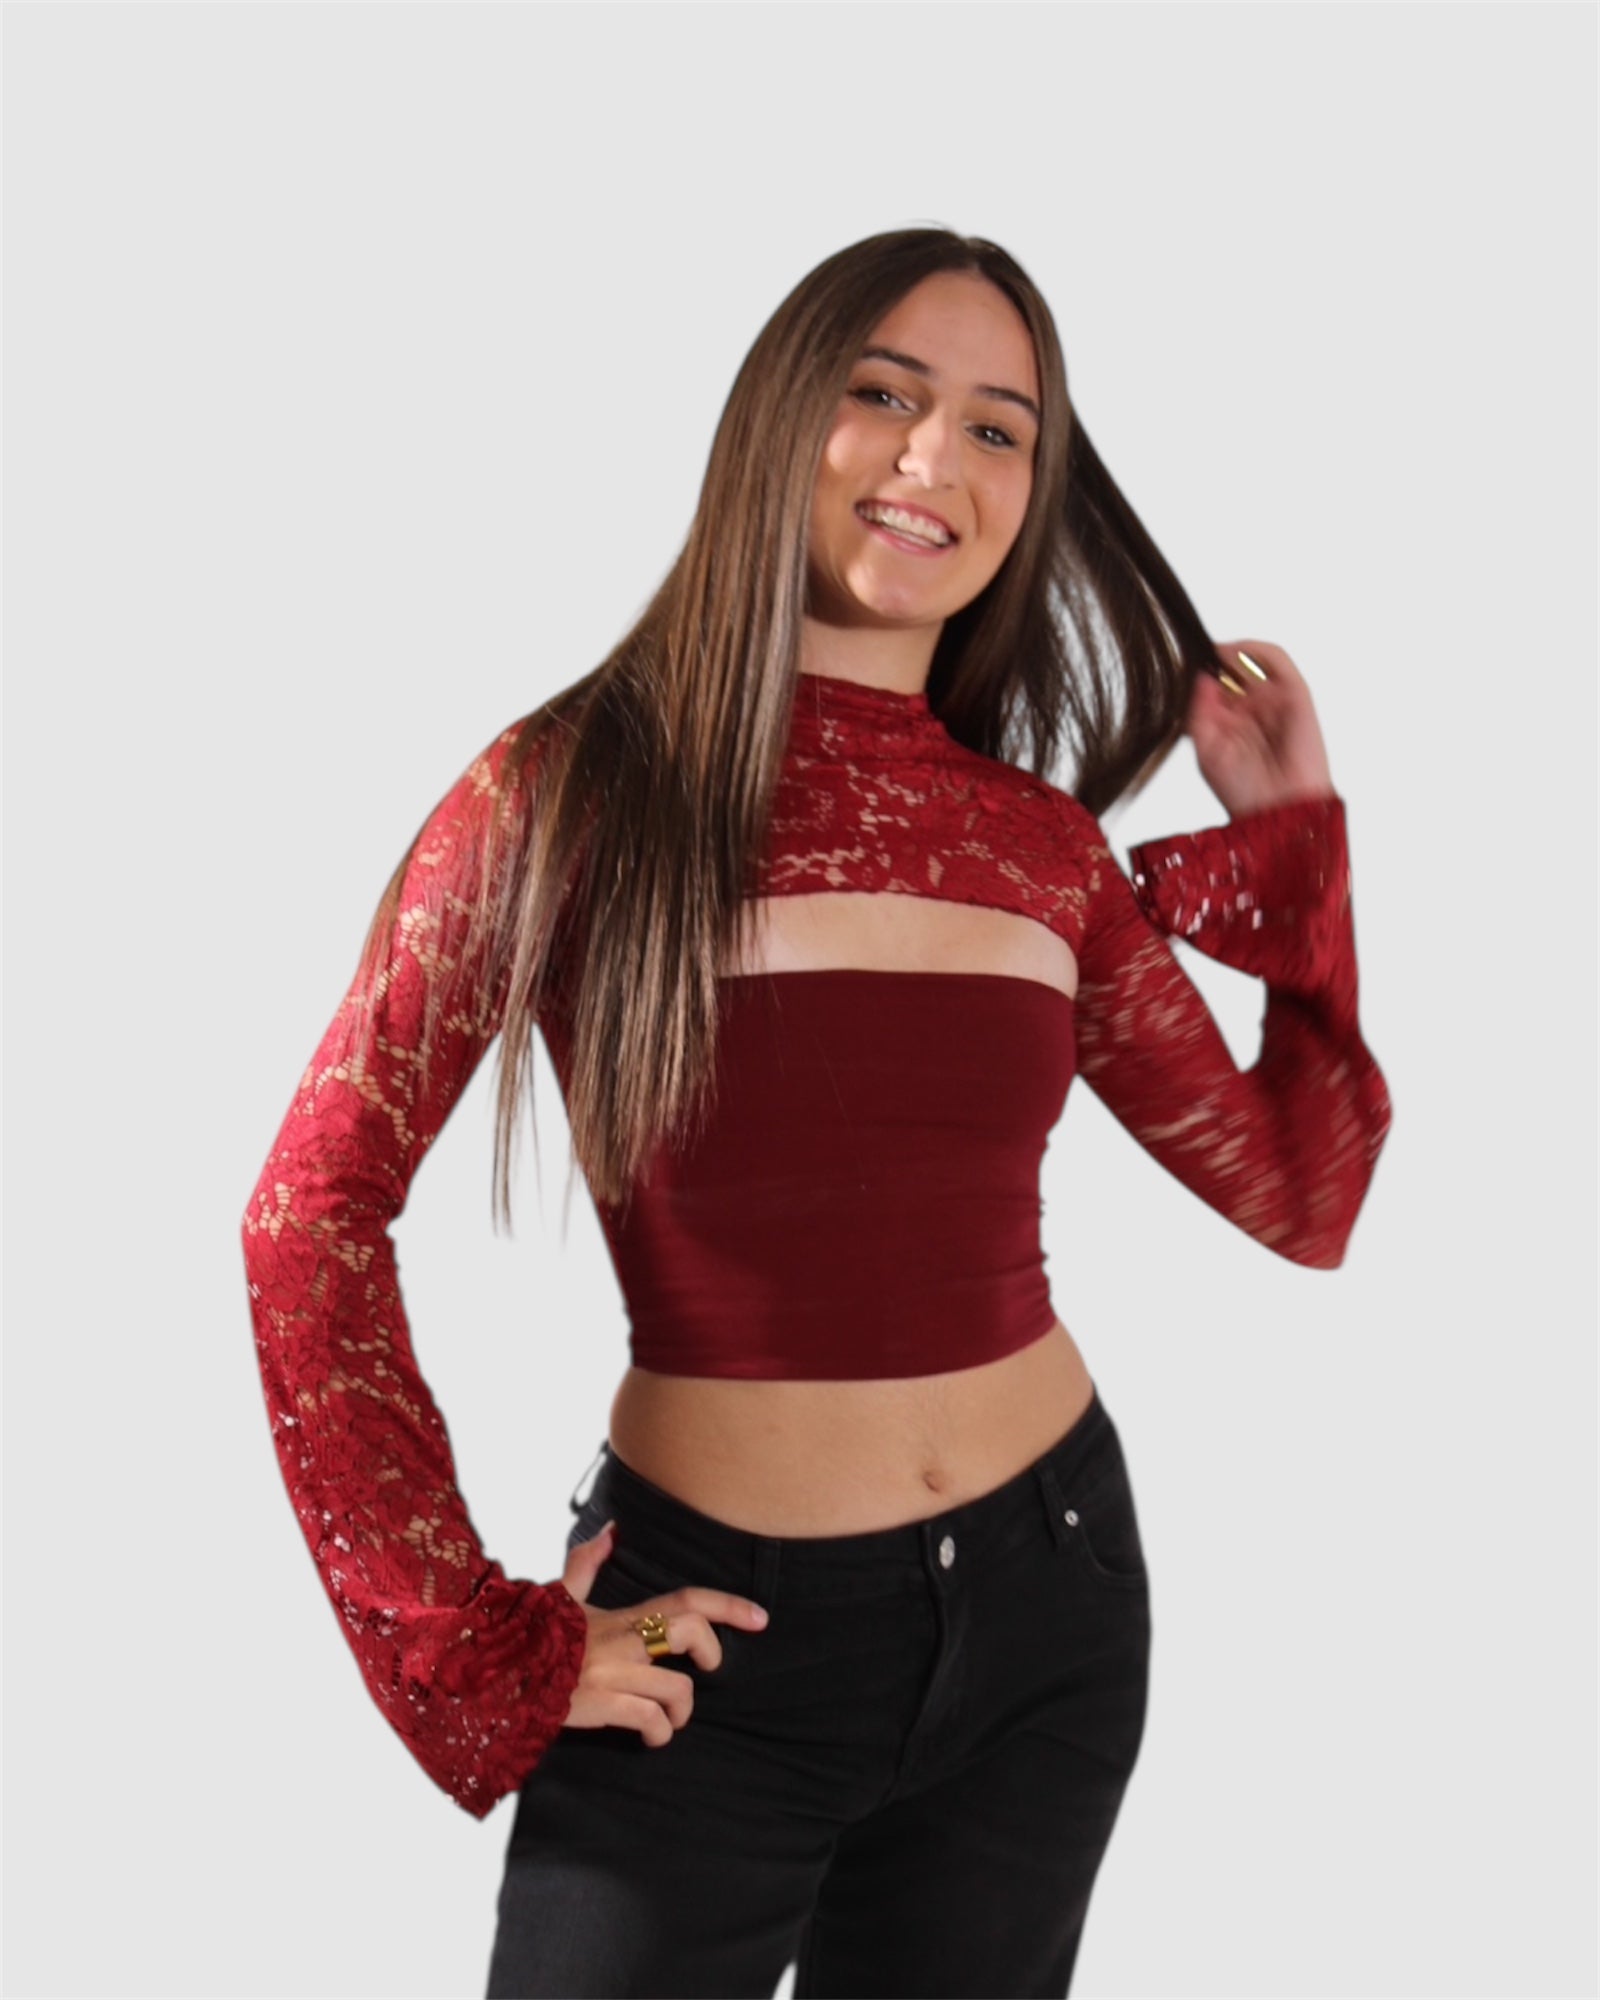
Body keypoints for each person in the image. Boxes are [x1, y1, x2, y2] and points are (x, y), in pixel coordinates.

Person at [240, 227, 1392, 1999]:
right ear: (780, 421)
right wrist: (472, 1637)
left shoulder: (1039, 851)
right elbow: (309, 1212)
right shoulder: (570, 795)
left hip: (1052, 1609)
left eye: (998, 429)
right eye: (883, 394)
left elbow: (1301, 1196)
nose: (937, 458)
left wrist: (1302, 855)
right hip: (712, 1645)